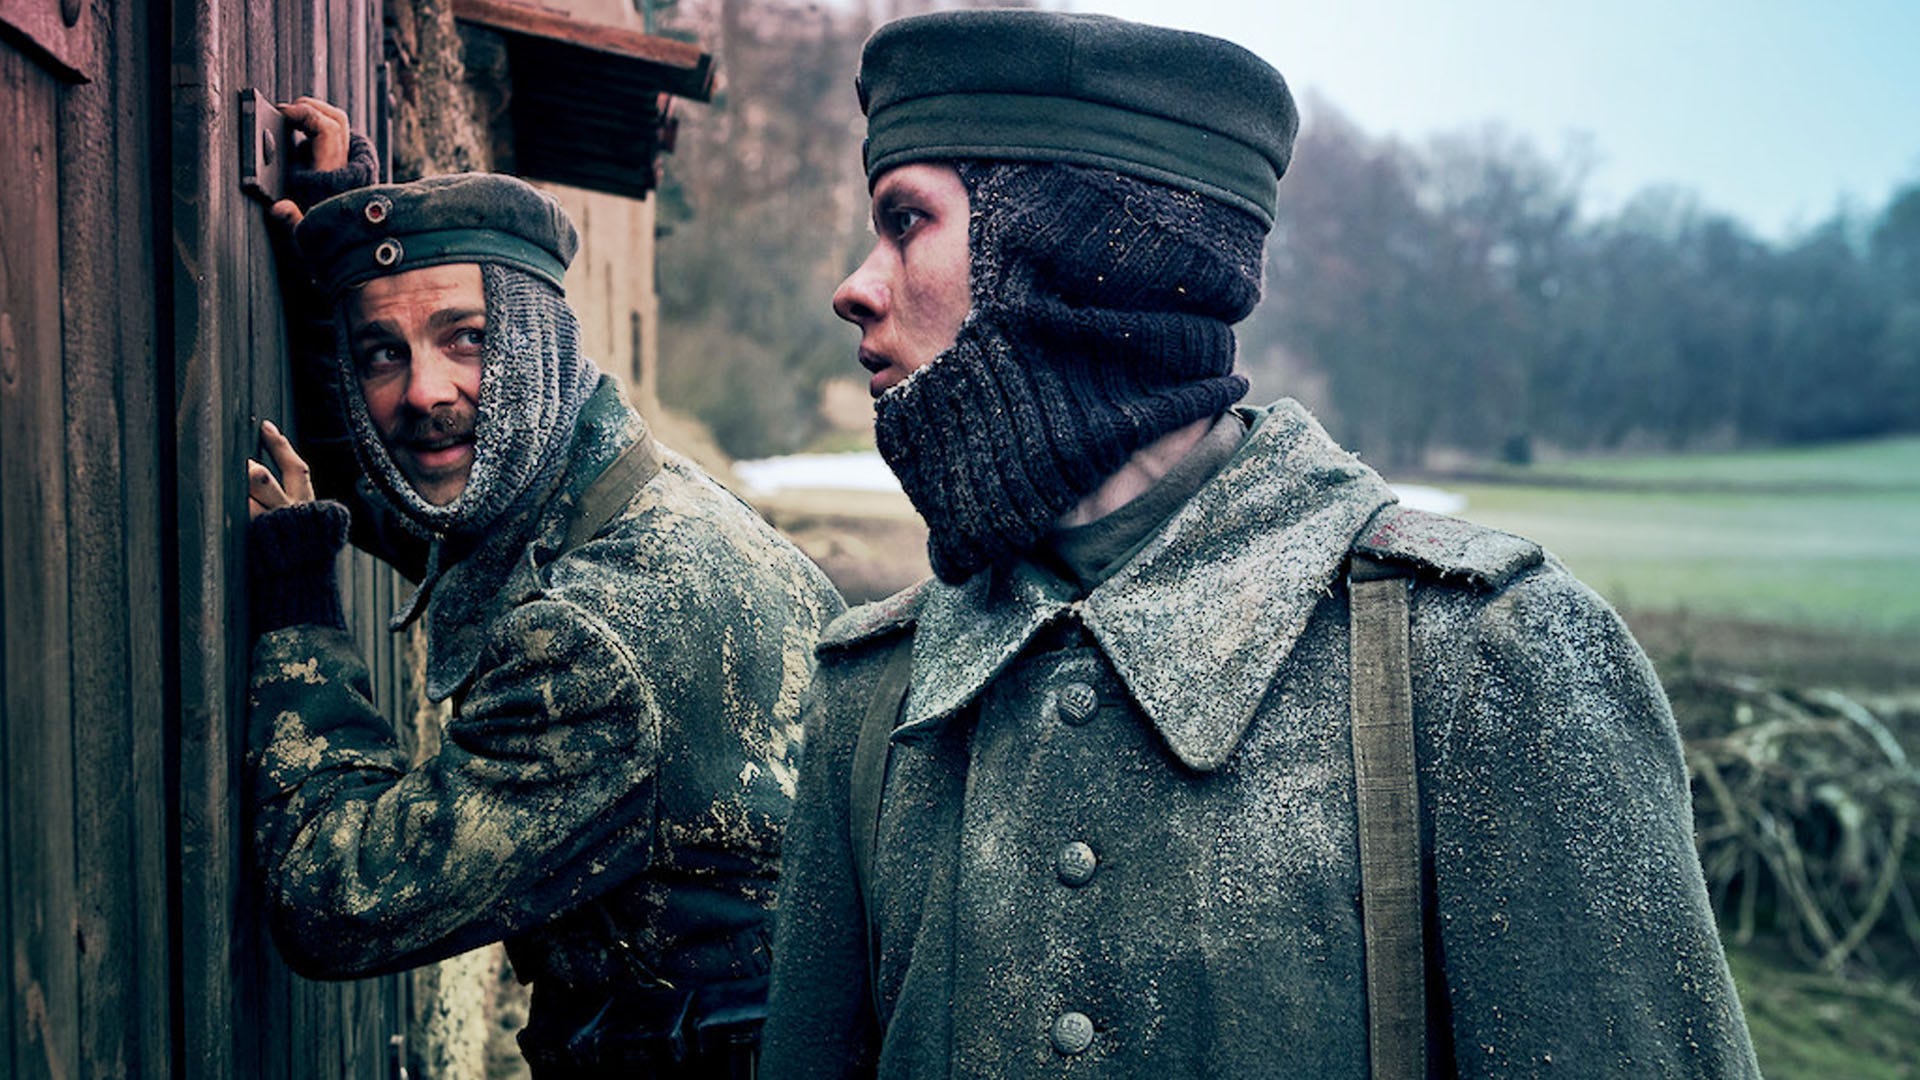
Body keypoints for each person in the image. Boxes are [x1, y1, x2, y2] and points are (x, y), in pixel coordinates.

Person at [759, 9, 1759, 1078]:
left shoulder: (1490, 665)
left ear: (1071, 256)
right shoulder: (877, 699)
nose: (853, 286)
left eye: (906, 221)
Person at [245, 169, 843, 1078]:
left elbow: (335, 900)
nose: (424, 391)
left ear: (537, 344)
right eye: (381, 354)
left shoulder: (590, 640)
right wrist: (350, 221)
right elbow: (433, 506)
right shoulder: (632, 496)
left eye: (468, 339)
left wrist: (296, 605)